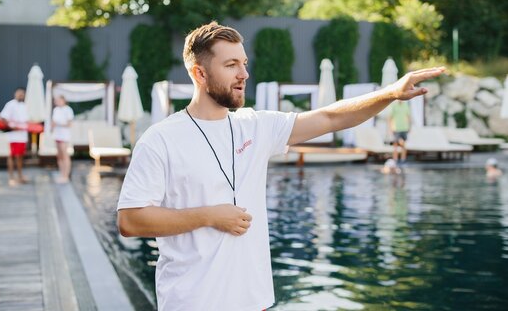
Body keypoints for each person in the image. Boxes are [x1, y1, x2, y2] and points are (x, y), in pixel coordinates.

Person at [116, 21, 444, 311]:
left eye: (244, 63)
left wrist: (389, 93)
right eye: (231, 65)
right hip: (193, 303)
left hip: (253, 300)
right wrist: (209, 216)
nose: (244, 74)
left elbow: (331, 117)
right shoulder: (161, 139)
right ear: (200, 74)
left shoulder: (255, 126)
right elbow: (130, 220)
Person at [0, 87, 29, 186]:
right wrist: (12, 127)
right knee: (12, 156)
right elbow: (3, 118)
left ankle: (20, 176)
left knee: (20, 156)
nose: (20, 95)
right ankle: (11, 177)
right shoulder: (10, 104)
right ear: (15, 93)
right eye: (19, 93)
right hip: (13, 136)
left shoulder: (26, 105)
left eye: (22, 93)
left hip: (23, 135)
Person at [51, 94, 74, 183]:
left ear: (63, 101)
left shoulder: (68, 109)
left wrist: (58, 124)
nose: (57, 102)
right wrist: (52, 128)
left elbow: (69, 124)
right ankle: (62, 174)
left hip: (64, 136)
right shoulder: (56, 110)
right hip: (57, 135)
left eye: (59, 100)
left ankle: (66, 175)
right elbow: (53, 121)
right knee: (59, 156)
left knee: (65, 155)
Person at [388, 99, 411, 164]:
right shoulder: (394, 105)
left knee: (403, 145)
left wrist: (409, 126)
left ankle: (403, 159)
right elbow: (390, 117)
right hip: (396, 128)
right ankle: (395, 159)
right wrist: (390, 128)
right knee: (396, 144)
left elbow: (408, 116)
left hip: (404, 128)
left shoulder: (406, 105)